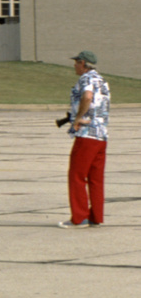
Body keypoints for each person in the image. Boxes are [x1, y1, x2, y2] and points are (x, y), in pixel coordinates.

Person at [62, 50, 109, 228]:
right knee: (96, 178)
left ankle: (79, 217)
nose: (74, 66)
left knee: (77, 175)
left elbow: (87, 96)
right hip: (101, 135)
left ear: (83, 63)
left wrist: (77, 118)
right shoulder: (103, 81)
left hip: (86, 134)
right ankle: (95, 216)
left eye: (76, 62)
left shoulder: (87, 79)